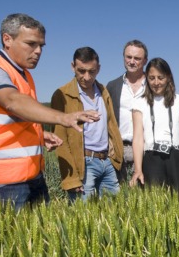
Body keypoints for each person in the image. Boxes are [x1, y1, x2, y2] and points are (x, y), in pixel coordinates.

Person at [0, 13, 100, 211]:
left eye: (41, 45)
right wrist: (63, 118)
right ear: (7, 39)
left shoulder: (24, 75)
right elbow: (13, 101)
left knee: (40, 239)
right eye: (31, 44)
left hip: (32, 175)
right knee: (12, 241)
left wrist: (40, 135)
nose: (38, 51)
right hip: (2, 182)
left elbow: (9, 122)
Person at [51, 46, 124, 202]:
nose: (86, 76)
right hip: (84, 164)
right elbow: (60, 139)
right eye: (81, 71)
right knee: (84, 219)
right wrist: (71, 178)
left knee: (115, 214)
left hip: (107, 161)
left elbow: (111, 125)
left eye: (92, 71)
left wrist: (116, 157)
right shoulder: (62, 95)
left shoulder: (103, 91)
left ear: (98, 69)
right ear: (73, 67)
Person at [129, 58, 179, 192]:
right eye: (152, 78)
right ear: (146, 78)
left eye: (160, 78)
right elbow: (138, 139)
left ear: (168, 77)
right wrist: (138, 170)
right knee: (155, 203)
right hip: (152, 159)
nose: (156, 82)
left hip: (177, 156)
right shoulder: (139, 104)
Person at [106, 40, 148, 183]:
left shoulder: (153, 85)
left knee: (146, 193)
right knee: (119, 195)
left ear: (145, 61)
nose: (132, 61)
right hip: (119, 149)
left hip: (146, 149)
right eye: (128, 57)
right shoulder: (112, 86)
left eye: (137, 58)